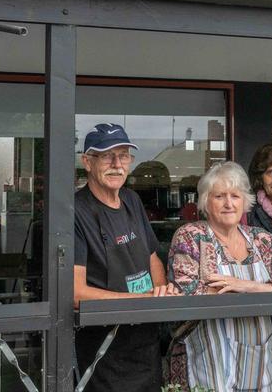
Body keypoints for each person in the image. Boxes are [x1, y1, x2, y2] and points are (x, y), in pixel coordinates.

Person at [73, 123, 176, 392]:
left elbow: (152, 256)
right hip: (104, 349)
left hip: (144, 343)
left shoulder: (132, 200)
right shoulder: (76, 212)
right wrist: (142, 301)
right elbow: (74, 292)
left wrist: (159, 294)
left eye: (124, 156)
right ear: (87, 162)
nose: (117, 164)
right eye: (107, 156)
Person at [169, 161, 272, 391]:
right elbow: (189, 296)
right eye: (219, 196)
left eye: (235, 196)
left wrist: (244, 286)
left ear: (245, 201)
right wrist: (264, 288)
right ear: (205, 201)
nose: (228, 204)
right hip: (210, 362)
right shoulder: (192, 237)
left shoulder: (261, 239)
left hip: (266, 366)